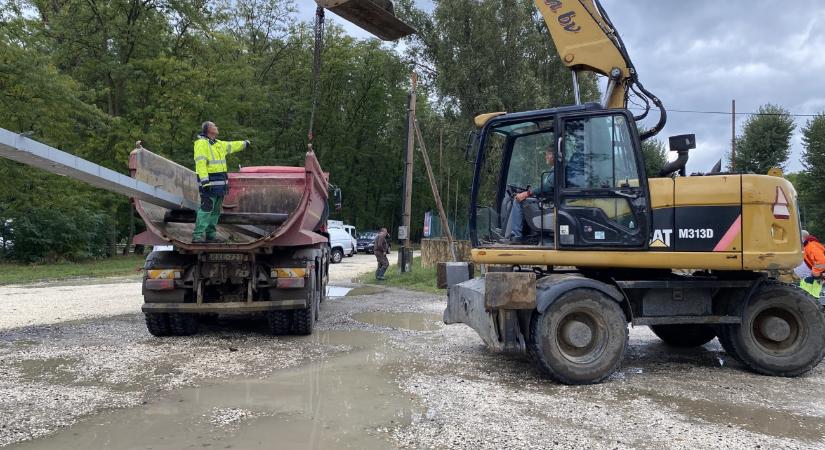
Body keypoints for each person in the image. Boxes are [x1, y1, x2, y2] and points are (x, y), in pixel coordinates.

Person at [192, 121, 250, 243]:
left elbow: (232, 145)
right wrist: (204, 181)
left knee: (215, 211)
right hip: (209, 182)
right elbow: (200, 163)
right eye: (214, 126)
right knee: (206, 209)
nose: (217, 127)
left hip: (220, 183)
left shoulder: (218, 144)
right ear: (208, 130)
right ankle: (197, 237)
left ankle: (210, 236)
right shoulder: (201, 143)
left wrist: (244, 144)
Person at [506, 146, 555, 243]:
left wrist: (528, 193)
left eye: (548, 154)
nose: (546, 157)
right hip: (547, 200)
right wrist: (530, 192)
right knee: (519, 198)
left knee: (518, 200)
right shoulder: (554, 170)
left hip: (549, 203)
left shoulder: (557, 170)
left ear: (554, 155)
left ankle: (516, 235)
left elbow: (547, 187)